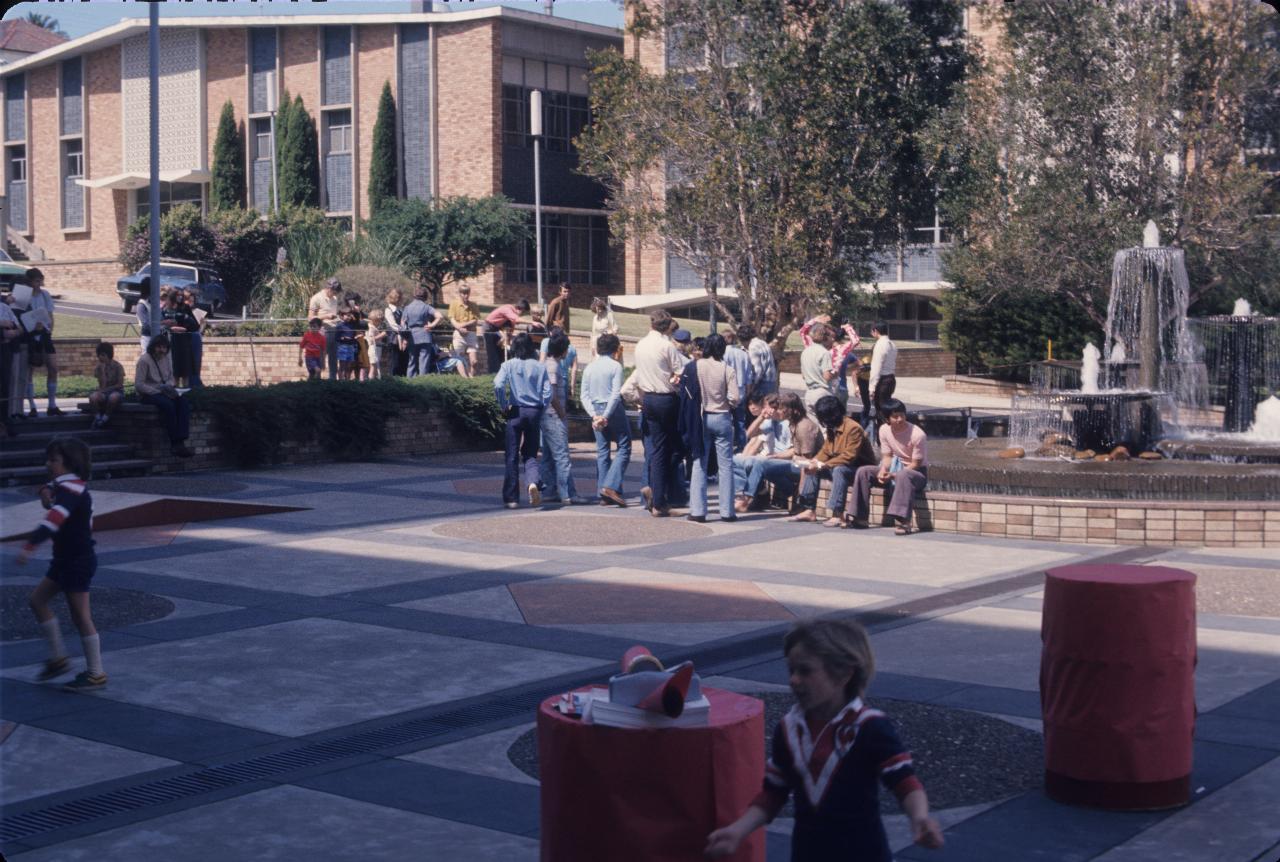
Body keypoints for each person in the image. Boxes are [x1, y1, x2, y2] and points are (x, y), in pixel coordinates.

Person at [705, 618, 943, 860]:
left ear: (844, 674)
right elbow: (773, 793)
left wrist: (920, 817)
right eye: (792, 670)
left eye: (805, 671)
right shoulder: (788, 729)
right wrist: (738, 830)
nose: (794, 680)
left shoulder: (870, 727)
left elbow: (905, 782)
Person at [17, 437, 110, 691]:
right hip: (65, 559)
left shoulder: (72, 492)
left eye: (53, 460)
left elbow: (53, 521)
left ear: (70, 463)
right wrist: (45, 490)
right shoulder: (67, 484)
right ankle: (58, 658)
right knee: (37, 601)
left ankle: (96, 673)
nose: (48, 464)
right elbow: (52, 484)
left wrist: (29, 545)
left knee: (81, 617)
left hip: (77, 560)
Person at [789, 395, 878, 525]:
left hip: (858, 469)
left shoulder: (853, 428)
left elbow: (849, 456)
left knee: (839, 470)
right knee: (813, 468)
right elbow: (826, 450)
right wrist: (814, 462)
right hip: (840, 465)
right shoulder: (832, 428)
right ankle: (808, 509)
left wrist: (823, 465)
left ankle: (837, 513)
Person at [680, 332, 739, 522]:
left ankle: (697, 511)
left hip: (701, 417)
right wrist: (728, 403)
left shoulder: (695, 366)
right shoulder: (727, 369)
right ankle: (727, 511)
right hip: (722, 416)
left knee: (699, 462)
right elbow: (735, 398)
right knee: (726, 465)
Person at [632, 310, 686, 517]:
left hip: (648, 399)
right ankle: (659, 497)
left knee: (658, 449)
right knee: (676, 449)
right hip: (666, 398)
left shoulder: (641, 344)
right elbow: (680, 372)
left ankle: (656, 490)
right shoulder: (666, 346)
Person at [851, 398, 928, 534]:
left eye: (902, 415)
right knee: (863, 471)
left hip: (916, 474)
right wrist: (882, 470)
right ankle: (860, 517)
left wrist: (893, 475)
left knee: (904, 474)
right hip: (894, 468)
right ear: (887, 419)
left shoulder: (918, 434)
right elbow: (887, 457)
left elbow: (916, 464)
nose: (899, 419)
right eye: (895, 416)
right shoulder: (883, 430)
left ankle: (904, 522)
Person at [494, 332, 551, 508]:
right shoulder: (540, 367)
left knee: (511, 455)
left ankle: (512, 498)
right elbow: (548, 392)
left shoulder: (508, 365)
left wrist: (503, 404)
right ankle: (533, 482)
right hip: (534, 411)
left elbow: (497, 384)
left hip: (515, 411)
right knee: (530, 452)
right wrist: (541, 406)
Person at [538, 330, 587, 505]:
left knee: (549, 457)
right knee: (562, 457)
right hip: (553, 416)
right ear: (562, 349)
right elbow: (551, 393)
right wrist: (562, 412)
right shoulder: (552, 366)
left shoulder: (551, 364)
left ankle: (550, 491)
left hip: (548, 416)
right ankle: (568, 494)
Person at [581, 333, 629, 507]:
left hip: (596, 407)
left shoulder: (589, 368)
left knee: (602, 452)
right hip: (612, 410)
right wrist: (606, 415)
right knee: (624, 446)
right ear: (615, 349)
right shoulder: (615, 366)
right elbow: (616, 394)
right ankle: (611, 486)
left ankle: (604, 492)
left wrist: (594, 415)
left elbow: (583, 395)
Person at [732, 393, 800, 512]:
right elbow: (749, 434)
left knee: (759, 463)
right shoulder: (770, 421)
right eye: (764, 407)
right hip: (772, 459)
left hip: (785, 460)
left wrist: (775, 456)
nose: (765, 410)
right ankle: (744, 494)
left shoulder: (787, 424)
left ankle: (747, 500)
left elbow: (794, 451)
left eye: (767, 408)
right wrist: (761, 417)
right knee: (733, 460)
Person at [134, 335, 194, 457]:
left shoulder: (167, 358)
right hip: (148, 394)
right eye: (159, 347)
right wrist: (156, 391)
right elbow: (139, 384)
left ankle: (181, 440)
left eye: (164, 347)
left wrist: (169, 386)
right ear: (153, 347)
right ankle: (174, 443)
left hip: (164, 391)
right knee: (168, 405)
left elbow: (171, 378)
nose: (162, 350)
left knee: (183, 402)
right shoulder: (144, 361)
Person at [22, 269, 61, 416]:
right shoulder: (24, 296)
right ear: (30, 282)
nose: (38, 284)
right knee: (29, 370)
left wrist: (50, 327)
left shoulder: (45, 295)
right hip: (30, 335)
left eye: (40, 281)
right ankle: (32, 406)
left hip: (44, 334)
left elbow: (50, 314)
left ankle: (52, 405)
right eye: (36, 281)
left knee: (53, 367)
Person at [160, 287, 199, 388]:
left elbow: (195, 325)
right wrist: (167, 324)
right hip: (171, 340)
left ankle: (186, 390)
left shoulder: (185, 308)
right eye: (178, 295)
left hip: (184, 340)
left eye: (182, 295)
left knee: (185, 369)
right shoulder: (166, 308)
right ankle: (175, 388)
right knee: (174, 369)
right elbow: (160, 322)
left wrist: (185, 325)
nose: (180, 297)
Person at [722, 329, 754, 451]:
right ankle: (742, 445)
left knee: (726, 421)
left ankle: (727, 445)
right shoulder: (743, 354)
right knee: (740, 421)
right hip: (741, 391)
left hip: (727, 391)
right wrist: (748, 391)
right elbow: (749, 375)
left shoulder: (722, 354)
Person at [482, 298, 532, 374]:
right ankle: (493, 373)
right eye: (523, 313)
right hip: (489, 329)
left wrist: (509, 338)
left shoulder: (511, 316)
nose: (522, 315)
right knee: (492, 354)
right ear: (521, 309)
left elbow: (511, 328)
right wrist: (532, 322)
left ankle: (503, 372)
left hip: (498, 330)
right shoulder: (507, 309)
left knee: (502, 353)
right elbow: (516, 319)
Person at [308, 277, 345, 380]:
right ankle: (317, 382)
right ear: (329, 289)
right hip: (322, 331)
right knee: (319, 357)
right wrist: (326, 317)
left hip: (334, 331)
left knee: (333, 358)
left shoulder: (334, 299)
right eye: (335, 291)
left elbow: (333, 314)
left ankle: (332, 382)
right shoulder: (316, 298)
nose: (336, 294)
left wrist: (340, 318)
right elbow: (310, 318)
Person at [799, 322, 836, 423]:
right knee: (827, 425)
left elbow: (803, 375)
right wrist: (836, 373)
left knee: (814, 426)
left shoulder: (805, 352)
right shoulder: (824, 353)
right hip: (822, 392)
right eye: (831, 337)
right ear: (825, 337)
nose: (832, 340)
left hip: (809, 393)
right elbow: (827, 376)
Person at [403, 286, 442, 377]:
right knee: (424, 363)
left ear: (414, 295)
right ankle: (422, 385)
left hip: (412, 336)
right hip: (425, 335)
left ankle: (410, 384)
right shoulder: (427, 307)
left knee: (411, 362)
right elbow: (440, 316)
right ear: (425, 296)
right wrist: (431, 325)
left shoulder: (407, 308)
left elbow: (403, 324)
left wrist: (404, 338)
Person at [88, 342, 126, 429]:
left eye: (103, 355)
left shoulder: (118, 366)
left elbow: (119, 384)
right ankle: (98, 419)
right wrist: (102, 371)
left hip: (116, 391)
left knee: (113, 397)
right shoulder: (99, 367)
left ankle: (105, 418)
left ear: (108, 355)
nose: (100, 358)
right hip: (104, 391)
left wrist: (107, 389)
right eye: (99, 355)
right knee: (93, 397)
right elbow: (102, 386)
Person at [446, 285, 481, 377]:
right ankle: (464, 379)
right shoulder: (454, 304)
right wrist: (459, 328)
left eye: (467, 293)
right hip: (459, 334)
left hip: (471, 334)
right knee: (459, 359)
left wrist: (463, 325)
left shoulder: (473, 305)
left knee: (474, 361)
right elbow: (452, 319)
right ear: (460, 293)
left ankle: (471, 377)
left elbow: (475, 320)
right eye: (463, 293)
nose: (465, 295)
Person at [868, 320, 898, 423]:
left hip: (882, 381)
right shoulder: (892, 344)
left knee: (881, 413)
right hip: (891, 379)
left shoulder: (880, 344)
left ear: (875, 331)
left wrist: (872, 387)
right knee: (887, 409)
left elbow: (876, 367)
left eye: (872, 331)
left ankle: (882, 437)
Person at [0, 292, 22, 434]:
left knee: (4, 386)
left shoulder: (4, 307)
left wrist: (14, 332)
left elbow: (19, 328)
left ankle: (4, 421)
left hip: (4, 350)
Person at [741, 323, 778, 397]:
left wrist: (752, 387)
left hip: (763, 384)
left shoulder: (753, 347)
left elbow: (758, 371)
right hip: (772, 381)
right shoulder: (762, 342)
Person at [181, 287, 206, 387]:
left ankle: (194, 384)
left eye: (191, 300)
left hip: (194, 337)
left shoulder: (197, 312)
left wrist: (199, 332)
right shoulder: (182, 310)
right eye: (186, 299)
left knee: (195, 363)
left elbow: (202, 324)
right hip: (185, 339)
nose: (189, 302)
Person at [383, 287, 409, 377]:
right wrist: (404, 330)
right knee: (394, 363)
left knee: (403, 363)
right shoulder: (388, 310)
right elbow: (393, 325)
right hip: (394, 340)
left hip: (403, 339)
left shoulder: (400, 310)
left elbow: (405, 323)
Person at [335, 309, 360, 380]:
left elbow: (357, 318)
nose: (349, 317)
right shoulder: (339, 326)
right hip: (343, 347)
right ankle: (340, 380)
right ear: (342, 316)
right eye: (347, 315)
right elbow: (336, 338)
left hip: (351, 347)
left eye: (350, 315)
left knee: (349, 366)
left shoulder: (352, 325)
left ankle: (347, 381)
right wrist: (343, 338)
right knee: (342, 365)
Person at [366, 309, 388, 380]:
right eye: (379, 321)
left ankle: (374, 381)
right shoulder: (371, 327)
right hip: (373, 349)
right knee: (373, 366)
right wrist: (382, 334)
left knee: (375, 366)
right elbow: (371, 339)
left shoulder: (374, 327)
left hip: (377, 348)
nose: (380, 322)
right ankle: (370, 381)